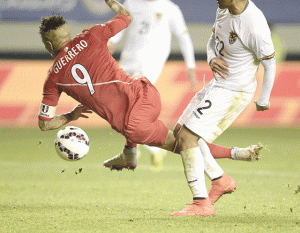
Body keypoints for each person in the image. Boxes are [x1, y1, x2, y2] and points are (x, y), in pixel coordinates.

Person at [38, 0, 262, 216]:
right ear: (67, 32)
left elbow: (45, 123)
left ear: (48, 44)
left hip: (135, 123)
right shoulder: (91, 34)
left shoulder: (54, 77)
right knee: (183, 136)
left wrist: (70, 115)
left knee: (181, 144)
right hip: (147, 93)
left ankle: (211, 188)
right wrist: (111, 2)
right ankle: (131, 153)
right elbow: (125, 17)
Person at [168, 0, 276, 216]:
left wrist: (264, 99)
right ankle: (220, 180)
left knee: (188, 137)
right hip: (218, 84)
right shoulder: (223, 9)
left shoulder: (254, 24)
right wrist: (211, 58)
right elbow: (213, 39)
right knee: (180, 132)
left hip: (235, 90)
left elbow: (269, 63)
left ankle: (201, 204)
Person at [107, 0, 197, 171]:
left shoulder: (169, 8)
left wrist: (191, 66)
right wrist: (111, 41)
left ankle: (133, 149)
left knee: (132, 99)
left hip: (151, 62)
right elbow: (121, 24)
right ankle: (152, 147)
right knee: (123, 106)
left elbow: (183, 37)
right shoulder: (131, 3)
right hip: (128, 59)